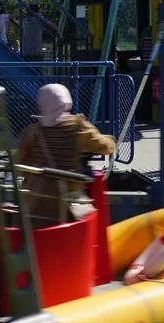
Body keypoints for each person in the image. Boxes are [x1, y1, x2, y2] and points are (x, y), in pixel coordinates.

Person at [15, 84, 115, 222]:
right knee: (91, 214)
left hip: (33, 200)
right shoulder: (76, 126)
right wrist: (110, 140)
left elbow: (18, 163)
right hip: (66, 202)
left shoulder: (31, 131)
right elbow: (104, 146)